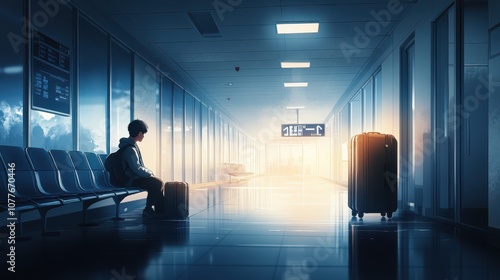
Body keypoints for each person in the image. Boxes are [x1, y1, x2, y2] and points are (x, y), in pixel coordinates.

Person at [119, 119, 164, 218]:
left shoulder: (129, 146)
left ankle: (160, 210)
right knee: (157, 183)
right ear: (139, 133)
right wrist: (149, 173)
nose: (143, 136)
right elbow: (137, 169)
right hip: (130, 180)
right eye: (143, 134)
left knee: (157, 182)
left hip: (132, 178)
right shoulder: (130, 149)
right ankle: (149, 209)